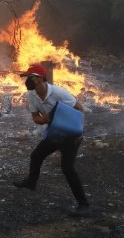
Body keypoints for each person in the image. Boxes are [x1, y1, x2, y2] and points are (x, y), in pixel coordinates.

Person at [11, 63, 92, 217]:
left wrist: (78, 133)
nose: (27, 80)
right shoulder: (31, 95)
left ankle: (84, 205)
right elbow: (35, 117)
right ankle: (31, 182)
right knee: (36, 156)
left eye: (31, 77)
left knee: (67, 168)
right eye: (27, 77)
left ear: (41, 78)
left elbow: (79, 109)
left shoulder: (59, 93)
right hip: (54, 134)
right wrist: (44, 120)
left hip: (70, 136)